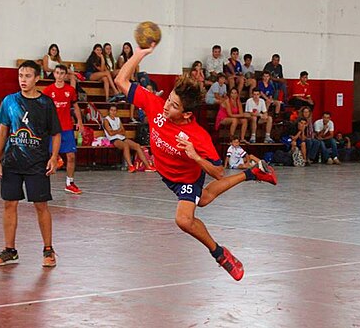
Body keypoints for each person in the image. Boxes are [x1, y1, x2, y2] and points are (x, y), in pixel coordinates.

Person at [114, 43, 277, 281]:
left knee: (184, 219)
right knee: (206, 199)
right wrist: (139, 55)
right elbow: (121, 80)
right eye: (169, 100)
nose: (167, 106)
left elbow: (219, 172)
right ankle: (254, 173)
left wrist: (196, 157)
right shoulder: (156, 106)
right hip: (165, 173)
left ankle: (221, 254)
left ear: (188, 114)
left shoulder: (199, 137)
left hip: (186, 177)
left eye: (175, 106)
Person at [0, 60, 61, 268]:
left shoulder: (46, 104)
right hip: (12, 162)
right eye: (21, 76)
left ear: (37, 78)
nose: (23, 80)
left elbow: (56, 133)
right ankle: (10, 251)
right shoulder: (10, 101)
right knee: (9, 204)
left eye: (28, 76)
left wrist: (54, 157)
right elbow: (2, 131)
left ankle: (48, 250)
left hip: (37, 164)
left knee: (41, 205)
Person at [42, 64, 85, 194]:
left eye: (62, 73)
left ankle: (69, 183)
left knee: (71, 156)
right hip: (52, 129)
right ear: (54, 74)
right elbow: (43, 109)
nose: (59, 76)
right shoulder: (48, 91)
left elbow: (75, 107)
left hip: (66, 128)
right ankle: (42, 184)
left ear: (65, 75)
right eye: (57, 73)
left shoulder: (70, 91)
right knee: (49, 156)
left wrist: (80, 121)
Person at [103, 105, 155, 173]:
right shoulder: (106, 120)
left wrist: (116, 131)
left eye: (115, 110)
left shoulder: (118, 119)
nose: (113, 112)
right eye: (111, 110)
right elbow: (110, 133)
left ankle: (148, 166)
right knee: (125, 146)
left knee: (137, 146)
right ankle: (130, 166)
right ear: (109, 111)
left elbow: (123, 132)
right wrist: (118, 131)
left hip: (122, 137)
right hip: (114, 139)